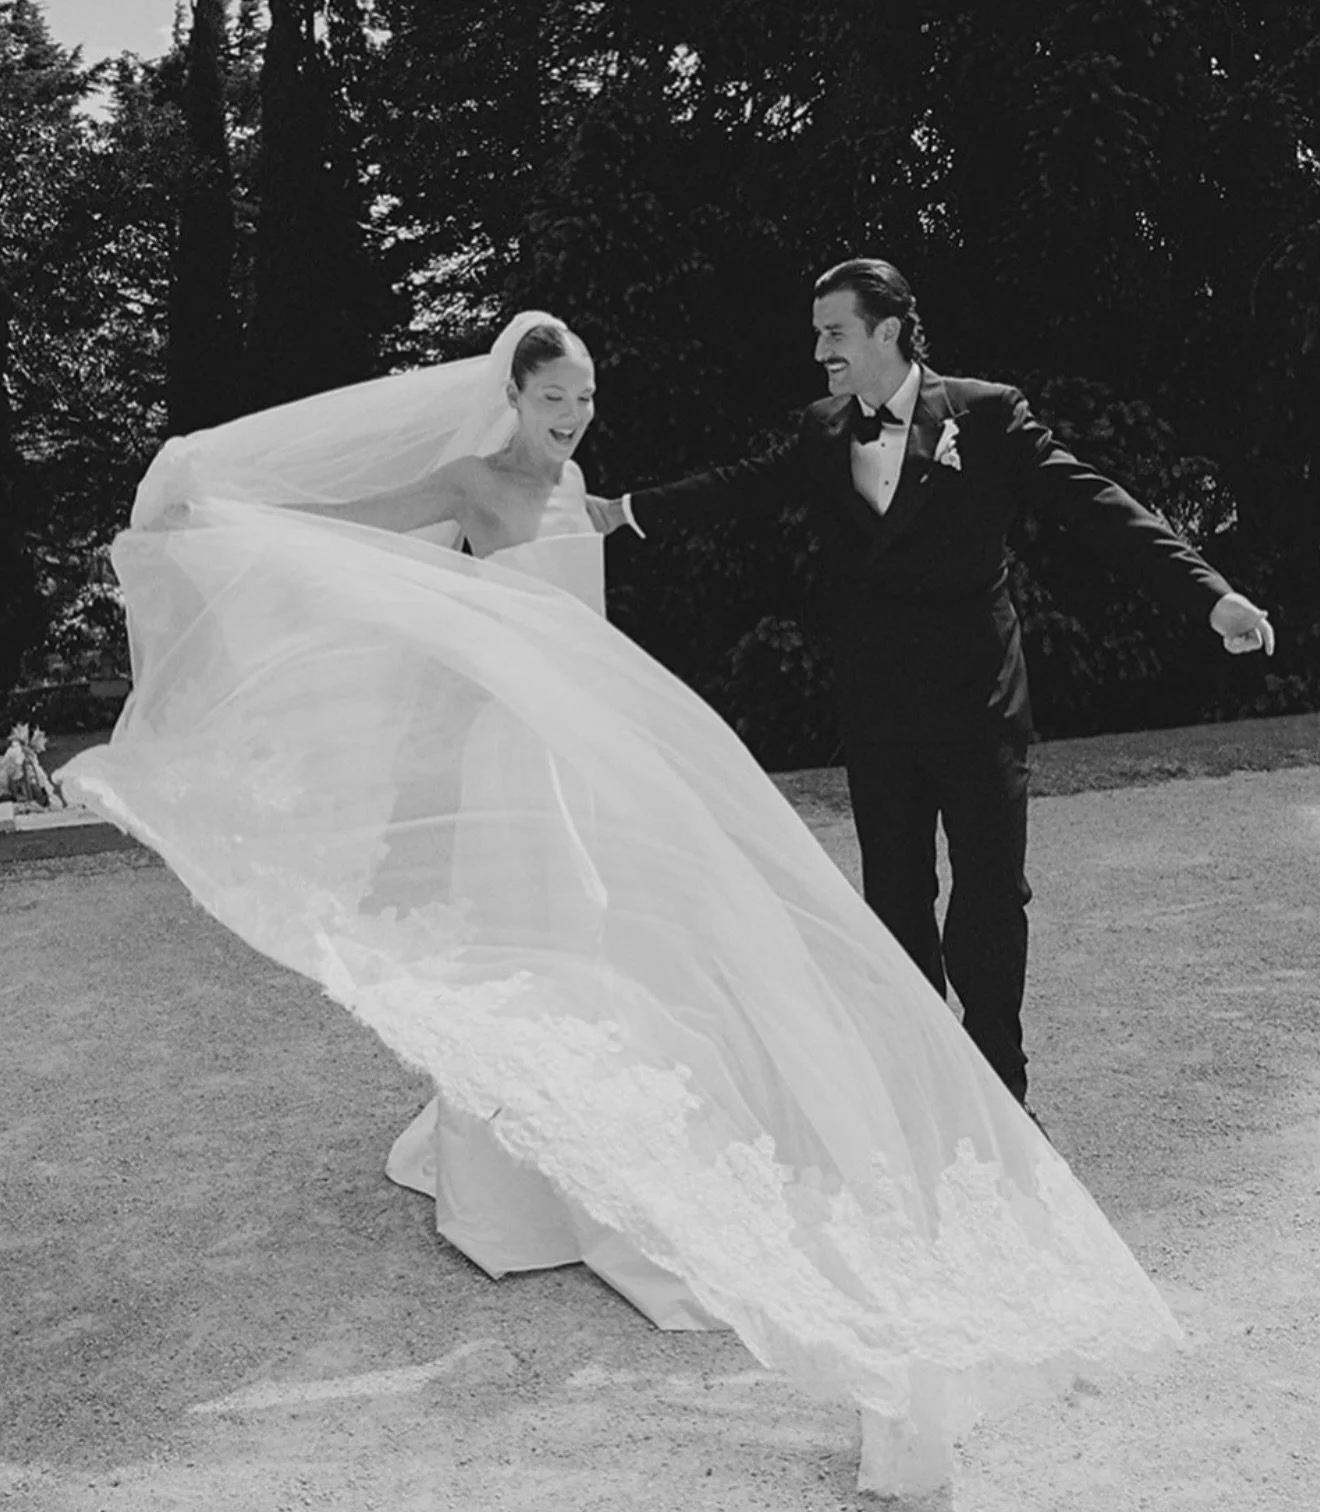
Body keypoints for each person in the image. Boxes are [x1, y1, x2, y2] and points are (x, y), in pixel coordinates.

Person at [63, 310, 1188, 1496]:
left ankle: (584, 1150)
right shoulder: (469, 479)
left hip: (594, 745)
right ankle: (512, 1175)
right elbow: (352, 542)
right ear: (513, 396)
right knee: (532, 939)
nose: (573, 418)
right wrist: (216, 515)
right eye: (556, 400)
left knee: (614, 936)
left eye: (587, 399)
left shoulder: (584, 484)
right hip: (512, 749)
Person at [598, 258, 1274, 1111]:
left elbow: (1094, 502)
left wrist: (1210, 595)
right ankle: (918, 1088)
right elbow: (744, 486)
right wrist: (625, 510)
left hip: (978, 702)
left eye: (833, 333)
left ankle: (999, 1092)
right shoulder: (822, 428)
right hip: (878, 709)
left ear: (888, 330)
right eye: (817, 335)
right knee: (897, 899)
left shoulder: (986, 415)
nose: (819, 352)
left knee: (990, 896)